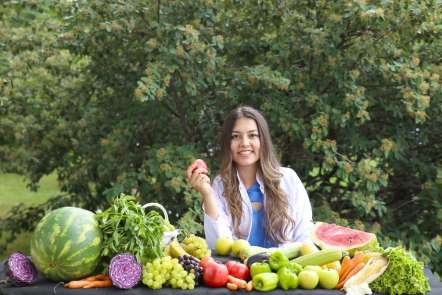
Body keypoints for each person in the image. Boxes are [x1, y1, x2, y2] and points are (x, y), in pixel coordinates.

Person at [187, 106, 313, 250]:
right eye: (235, 136)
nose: (245, 143)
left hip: (286, 269)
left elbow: (304, 235)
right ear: (227, 143)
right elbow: (219, 244)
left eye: (252, 135)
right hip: (238, 270)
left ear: (263, 140)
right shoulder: (220, 184)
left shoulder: (288, 179)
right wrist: (207, 194)